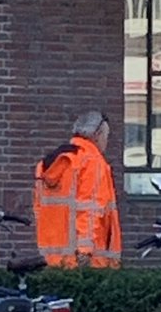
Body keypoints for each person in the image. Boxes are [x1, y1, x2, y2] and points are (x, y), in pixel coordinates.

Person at [33, 109, 122, 267]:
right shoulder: (92, 162)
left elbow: (39, 210)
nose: (106, 142)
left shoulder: (51, 163)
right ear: (96, 135)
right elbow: (90, 210)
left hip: (53, 260)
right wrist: (84, 251)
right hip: (86, 262)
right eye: (106, 137)